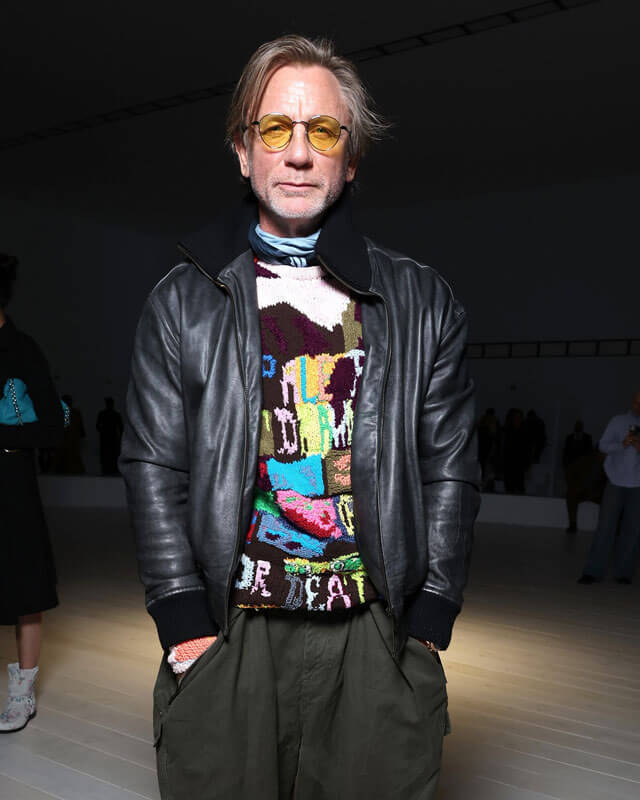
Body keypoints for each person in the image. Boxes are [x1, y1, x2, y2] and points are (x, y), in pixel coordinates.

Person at [120, 35, 480, 800]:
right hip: (230, 634)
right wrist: (183, 621)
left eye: (323, 130)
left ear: (351, 159)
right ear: (242, 149)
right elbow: (154, 466)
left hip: (375, 637)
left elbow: (449, 468)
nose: (297, 153)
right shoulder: (182, 301)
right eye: (275, 127)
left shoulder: (423, 300)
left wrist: (429, 621)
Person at [0, 253, 64, 733]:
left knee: (25, 588)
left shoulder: (23, 351)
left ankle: (22, 695)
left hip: (11, 481)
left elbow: (52, 429)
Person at [578, 391, 640, 584]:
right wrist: (623, 444)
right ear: (633, 402)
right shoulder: (618, 421)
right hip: (615, 481)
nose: (639, 406)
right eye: (637, 402)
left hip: (638, 484)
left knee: (633, 530)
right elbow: (603, 446)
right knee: (605, 527)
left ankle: (623, 573)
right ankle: (593, 571)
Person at [563, 419, 597, 532]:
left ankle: (573, 524)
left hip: (583, 471)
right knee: (572, 494)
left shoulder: (587, 438)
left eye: (579, 425)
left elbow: (589, 453)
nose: (577, 427)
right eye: (577, 425)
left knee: (572, 495)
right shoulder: (570, 438)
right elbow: (566, 453)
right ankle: (572, 524)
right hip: (573, 470)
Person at [54, 394, 85, 473]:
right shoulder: (73, 412)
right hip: (70, 439)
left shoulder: (66, 412)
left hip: (68, 439)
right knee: (71, 456)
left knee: (68, 456)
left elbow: (67, 426)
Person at [502, 407, 530, 493]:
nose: (517, 419)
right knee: (509, 485)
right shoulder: (506, 431)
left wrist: (527, 462)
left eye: (519, 417)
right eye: (516, 417)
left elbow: (527, 448)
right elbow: (503, 448)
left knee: (519, 485)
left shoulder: (524, 431)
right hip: (509, 462)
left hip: (520, 462)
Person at [96, 396, 123, 475]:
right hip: (110, 437)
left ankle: (109, 470)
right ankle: (109, 470)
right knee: (109, 454)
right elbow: (121, 427)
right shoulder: (115, 414)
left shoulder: (104, 414)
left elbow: (97, 426)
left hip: (108, 437)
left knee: (109, 454)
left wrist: (102, 431)